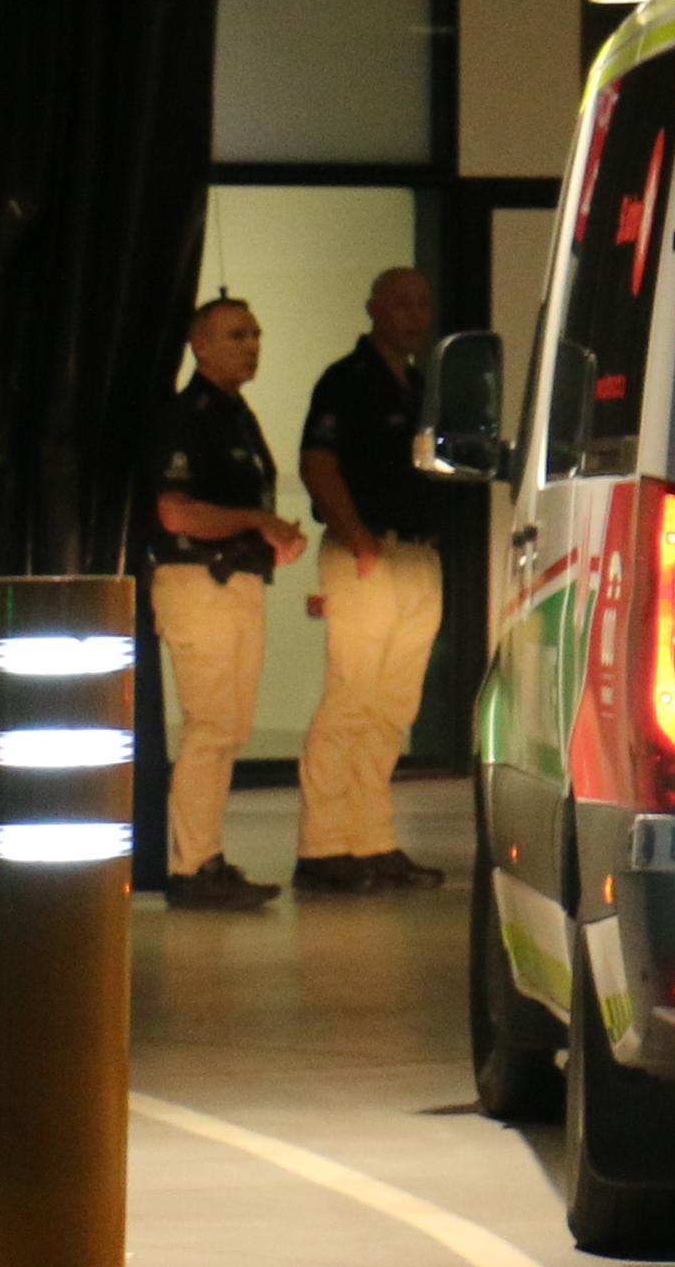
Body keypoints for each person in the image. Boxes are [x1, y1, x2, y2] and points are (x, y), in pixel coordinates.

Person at [294, 265, 457, 893]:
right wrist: (357, 535)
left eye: (423, 304)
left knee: (394, 705)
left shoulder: (418, 385)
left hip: (417, 555)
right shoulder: (347, 380)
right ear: (373, 310)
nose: (414, 315)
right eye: (402, 304)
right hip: (365, 551)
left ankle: (371, 839)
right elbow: (318, 464)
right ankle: (322, 847)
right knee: (350, 697)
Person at [143, 295, 303, 911]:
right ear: (200, 345)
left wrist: (273, 535)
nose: (252, 345)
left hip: (235, 584)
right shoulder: (188, 417)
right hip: (196, 584)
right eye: (237, 334)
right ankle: (191, 865)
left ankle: (205, 856)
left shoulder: (239, 416)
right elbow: (174, 510)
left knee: (228, 729)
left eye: (257, 334)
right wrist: (256, 519)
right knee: (210, 729)